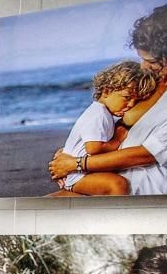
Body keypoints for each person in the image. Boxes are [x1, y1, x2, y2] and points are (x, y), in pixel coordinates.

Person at [48, 2, 167, 195]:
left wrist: (77, 164)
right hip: (110, 174)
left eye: (152, 61)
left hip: (153, 189)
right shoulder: (155, 76)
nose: (144, 66)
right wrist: (71, 152)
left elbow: (150, 154)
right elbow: (111, 124)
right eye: (143, 58)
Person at [50, 61, 158, 195]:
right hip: (77, 176)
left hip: (80, 171)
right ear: (106, 91)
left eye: (136, 101)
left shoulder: (105, 114)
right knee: (117, 185)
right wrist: (117, 141)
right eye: (127, 97)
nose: (130, 104)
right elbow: (94, 148)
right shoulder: (98, 115)